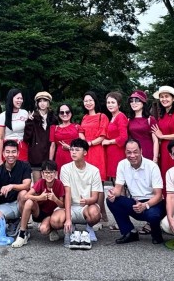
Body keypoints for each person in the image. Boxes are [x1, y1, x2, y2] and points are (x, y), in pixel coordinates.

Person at [106, 138, 166, 245]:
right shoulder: (122, 164)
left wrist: (145, 205)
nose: (132, 155)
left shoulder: (152, 166)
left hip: (153, 202)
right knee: (111, 201)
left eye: (135, 152)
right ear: (125, 152)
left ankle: (157, 234)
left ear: (141, 151)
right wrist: (113, 194)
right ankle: (130, 232)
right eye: (129, 152)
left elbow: (158, 195)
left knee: (153, 215)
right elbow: (118, 189)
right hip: (135, 202)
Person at [11, 159, 65, 247]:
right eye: (46, 172)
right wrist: (39, 198)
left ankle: (52, 229)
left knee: (44, 229)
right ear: (42, 174)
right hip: (40, 212)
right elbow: (26, 196)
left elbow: (62, 205)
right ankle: (22, 233)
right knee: (29, 202)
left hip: (53, 214)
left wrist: (55, 199)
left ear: (56, 173)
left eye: (51, 172)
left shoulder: (59, 184)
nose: (49, 175)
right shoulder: (40, 182)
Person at [60, 138, 103, 250]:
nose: (73, 152)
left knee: (94, 213)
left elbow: (95, 197)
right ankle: (72, 226)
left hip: (87, 206)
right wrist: (68, 219)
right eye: (71, 149)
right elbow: (67, 194)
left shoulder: (94, 170)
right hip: (70, 206)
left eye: (77, 150)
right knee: (55, 221)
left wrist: (87, 201)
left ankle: (89, 228)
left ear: (85, 152)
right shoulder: (65, 168)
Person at [0, 139, 32, 238]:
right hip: (5, 205)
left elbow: (27, 185)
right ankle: (13, 221)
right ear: (3, 153)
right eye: (7, 152)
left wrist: (12, 186)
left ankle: (24, 228)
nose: (10, 155)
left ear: (18, 153)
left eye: (13, 152)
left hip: (19, 203)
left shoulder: (25, 166)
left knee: (23, 193)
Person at [80, 91, 108, 224]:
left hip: (97, 151)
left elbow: (102, 136)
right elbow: (80, 132)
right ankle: (97, 213)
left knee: (98, 183)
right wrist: (84, 142)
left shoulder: (102, 116)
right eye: (86, 101)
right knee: (88, 182)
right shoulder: (84, 117)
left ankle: (100, 213)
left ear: (95, 101)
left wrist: (89, 143)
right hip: (86, 152)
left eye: (90, 100)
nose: (88, 103)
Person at [151, 85, 174, 180]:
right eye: (162, 97)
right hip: (163, 149)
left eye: (167, 96)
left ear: (173, 99)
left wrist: (162, 136)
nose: (164, 99)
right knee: (166, 176)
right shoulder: (162, 115)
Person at [23, 91, 57, 181]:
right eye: (40, 101)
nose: (42, 103)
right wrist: (29, 122)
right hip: (36, 156)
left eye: (45, 100)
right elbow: (26, 138)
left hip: (49, 156)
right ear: (37, 103)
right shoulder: (32, 117)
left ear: (48, 102)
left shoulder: (54, 118)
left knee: (49, 184)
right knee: (37, 185)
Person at [0, 88, 30, 162]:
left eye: (21, 98)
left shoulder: (25, 113)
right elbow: (0, 138)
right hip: (8, 149)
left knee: (22, 168)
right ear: (11, 99)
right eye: (18, 98)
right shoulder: (3, 116)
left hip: (22, 146)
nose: (20, 101)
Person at [127, 90, 159, 162]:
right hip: (134, 154)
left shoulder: (150, 119)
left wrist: (155, 158)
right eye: (131, 101)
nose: (134, 103)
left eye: (137, 100)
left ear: (143, 103)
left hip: (148, 153)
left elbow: (155, 141)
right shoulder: (129, 120)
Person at [49, 103, 83, 172]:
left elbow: (83, 144)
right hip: (60, 158)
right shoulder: (54, 128)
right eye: (62, 112)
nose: (65, 114)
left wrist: (70, 148)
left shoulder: (77, 127)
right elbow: (52, 146)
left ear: (71, 113)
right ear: (59, 114)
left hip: (75, 157)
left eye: (67, 112)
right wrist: (50, 163)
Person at [102, 91, 128, 181]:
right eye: (108, 102)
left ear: (119, 104)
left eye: (113, 102)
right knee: (114, 179)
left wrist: (109, 142)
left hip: (118, 152)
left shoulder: (120, 117)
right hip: (111, 152)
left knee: (119, 180)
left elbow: (123, 137)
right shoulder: (113, 117)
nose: (110, 105)